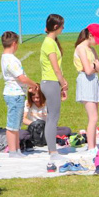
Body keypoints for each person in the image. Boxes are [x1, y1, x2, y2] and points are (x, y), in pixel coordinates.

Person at [1, 31, 38, 157]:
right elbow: (21, 78)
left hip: (16, 93)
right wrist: (33, 84)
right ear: (14, 43)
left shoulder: (6, 58)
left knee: (16, 123)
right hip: (14, 95)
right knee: (12, 124)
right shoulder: (10, 59)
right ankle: (12, 150)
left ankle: (16, 149)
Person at [39, 14, 67, 172]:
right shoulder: (49, 43)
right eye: (62, 26)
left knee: (53, 117)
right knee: (52, 118)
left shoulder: (50, 42)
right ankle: (52, 151)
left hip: (52, 82)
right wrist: (62, 82)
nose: (63, 29)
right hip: (50, 83)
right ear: (56, 27)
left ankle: (53, 150)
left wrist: (62, 81)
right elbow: (55, 67)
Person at [74, 24, 99, 153]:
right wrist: (94, 66)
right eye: (96, 40)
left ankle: (93, 144)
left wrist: (95, 67)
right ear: (90, 35)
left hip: (93, 82)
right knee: (93, 117)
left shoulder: (91, 49)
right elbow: (87, 70)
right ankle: (91, 147)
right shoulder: (81, 48)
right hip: (86, 82)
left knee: (95, 116)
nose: (96, 44)